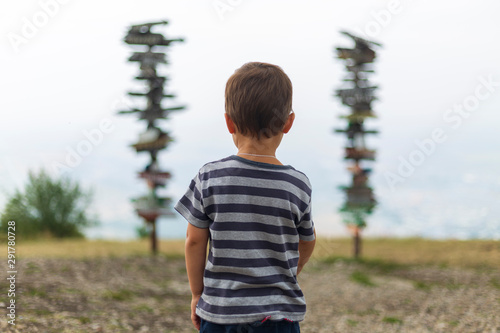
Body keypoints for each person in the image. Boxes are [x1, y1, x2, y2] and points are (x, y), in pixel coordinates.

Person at [174, 62, 316, 333]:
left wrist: (197, 294)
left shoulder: (210, 177)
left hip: (220, 313)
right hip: (279, 318)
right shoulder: (298, 184)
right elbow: (307, 242)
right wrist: (285, 276)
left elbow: (194, 241)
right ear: (288, 122)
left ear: (229, 122)